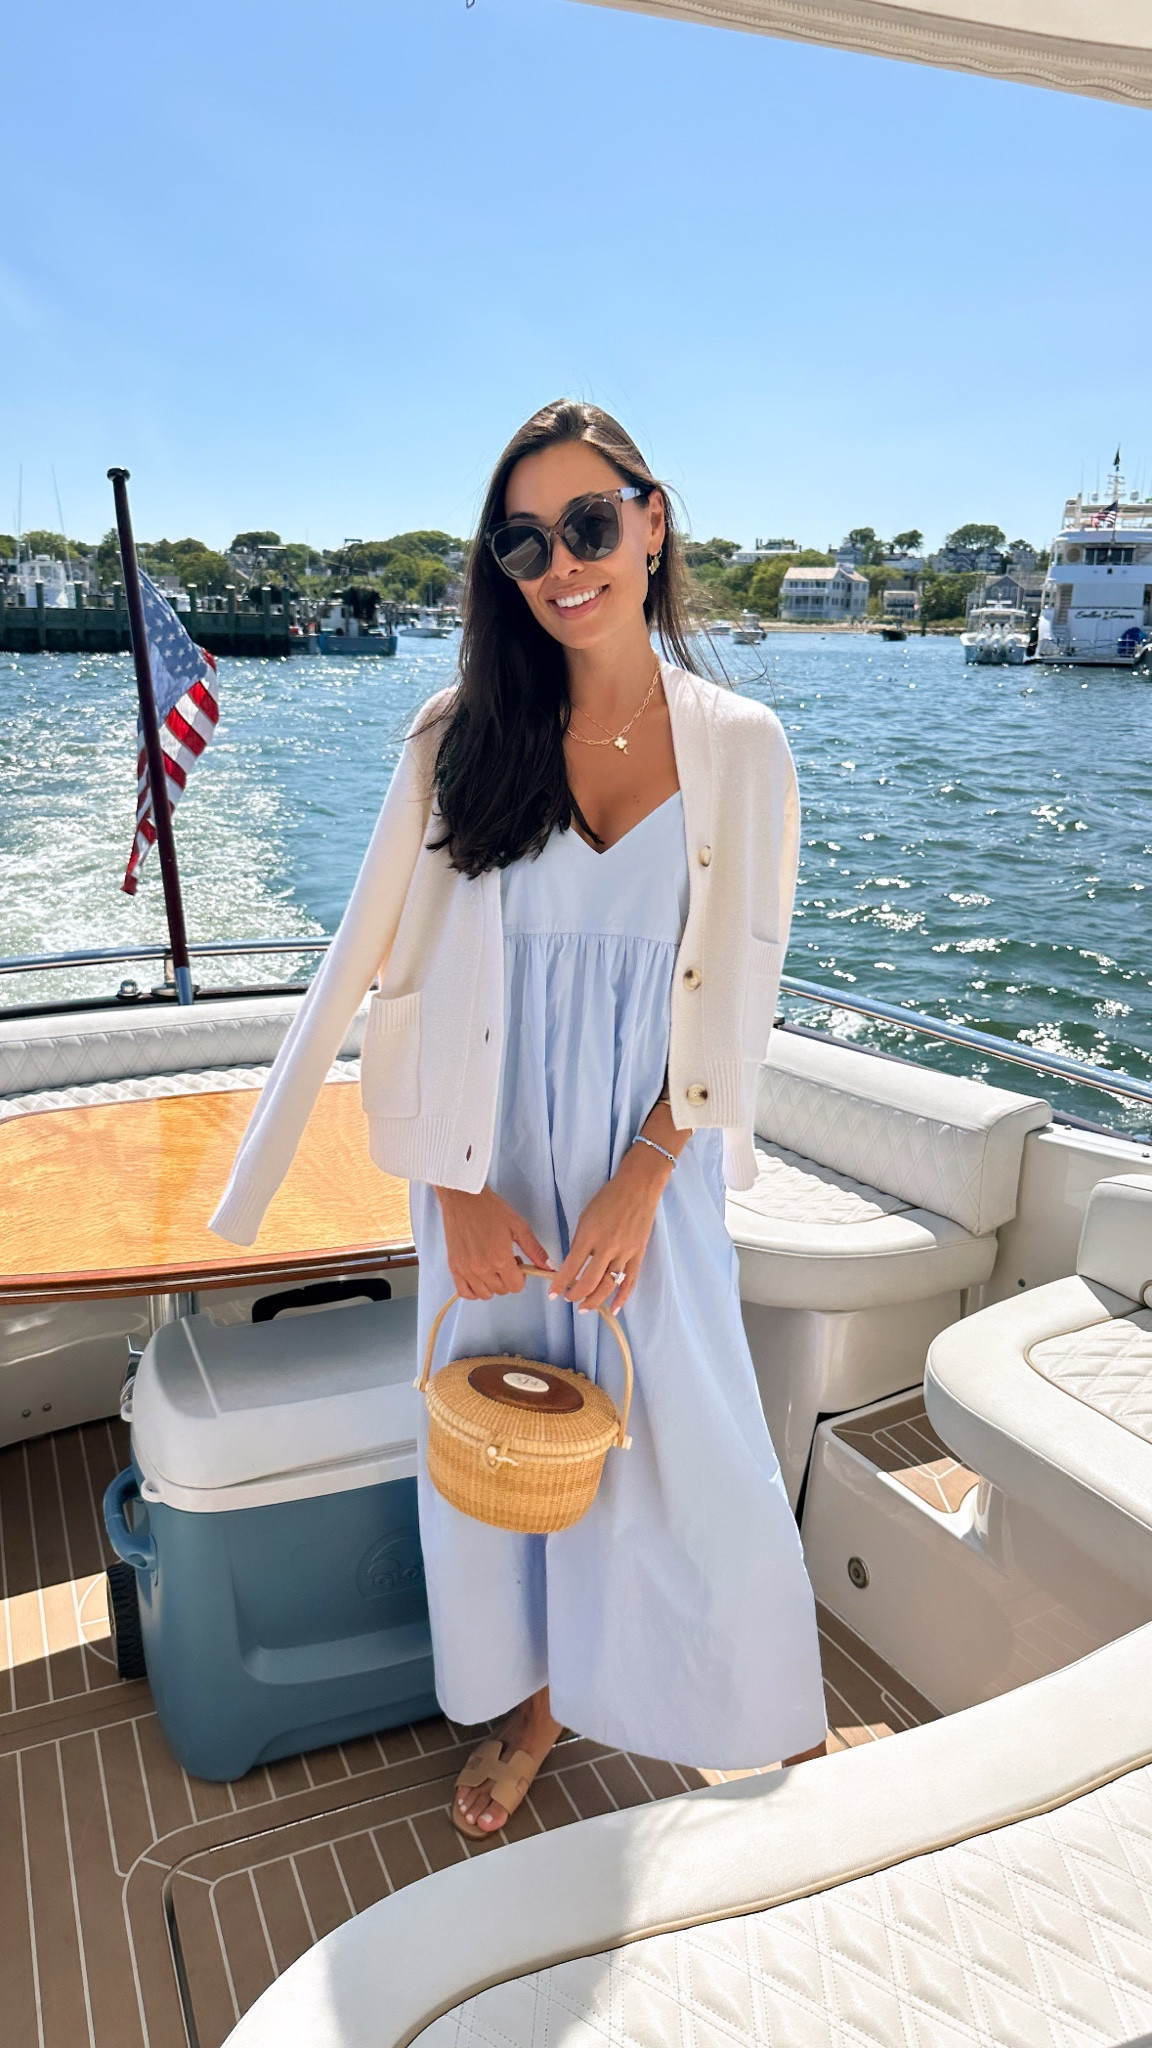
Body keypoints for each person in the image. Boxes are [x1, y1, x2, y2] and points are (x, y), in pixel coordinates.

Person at [210, 399, 827, 1841]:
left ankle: (738, 1706)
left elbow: (742, 994)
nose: (564, 562)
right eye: (525, 539)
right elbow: (384, 965)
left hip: (645, 1164)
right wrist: (452, 1192)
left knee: (689, 1442)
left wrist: (649, 1174)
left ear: (652, 522)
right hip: (483, 1163)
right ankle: (538, 1708)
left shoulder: (744, 748)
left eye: (592, 525)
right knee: (506, 1447)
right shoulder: (456, 735)